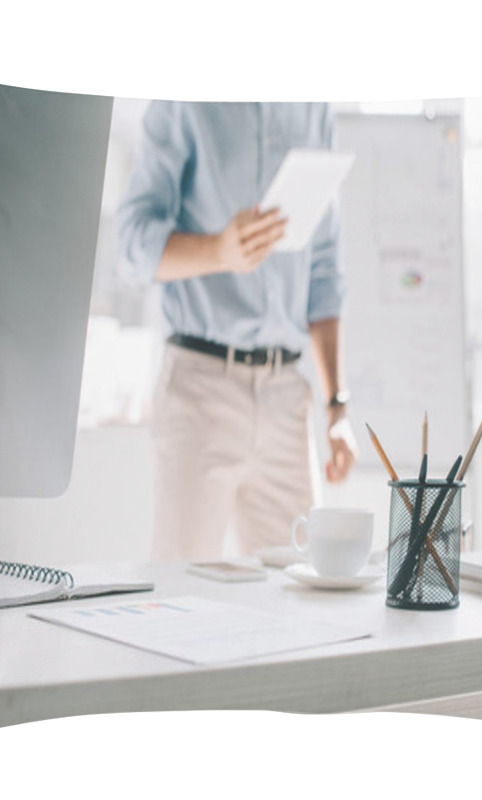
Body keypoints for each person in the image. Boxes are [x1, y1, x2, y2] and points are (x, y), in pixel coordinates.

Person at [117, 101, 357, 562]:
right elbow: (131, 244)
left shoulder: (313, 108)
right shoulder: (184, 98)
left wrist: (336, 408)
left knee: (299, 596)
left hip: (287, 395)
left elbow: (324, 269)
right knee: (179, 594)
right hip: (199, 388)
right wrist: (218, 251)